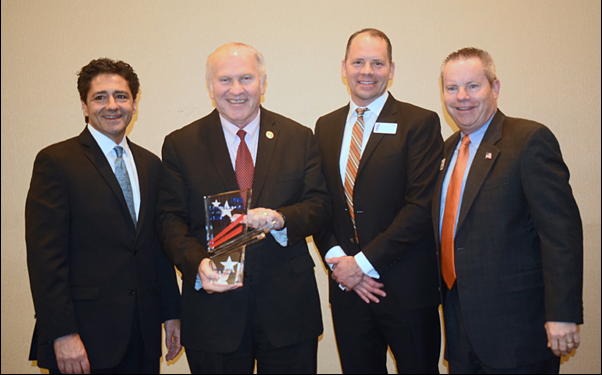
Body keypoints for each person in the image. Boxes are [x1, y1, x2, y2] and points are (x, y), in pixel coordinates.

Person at [157, 42, 329, 374]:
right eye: (225, 80)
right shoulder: (181, 144)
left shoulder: (298, 137)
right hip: (212, 314)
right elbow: (169, 219)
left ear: (263, 84)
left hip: (288, 312)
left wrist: (281, 220)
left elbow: (319, 205)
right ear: (210, 87)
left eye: (246, 78)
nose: (236, 90)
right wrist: (197, 264)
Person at [25, 58, 181, 374]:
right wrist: (62, 333)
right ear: (84, 106)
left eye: (121, 96)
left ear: (134, 104)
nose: (112, 105)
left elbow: (155, 247)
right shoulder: (56, 162)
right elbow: (45, 259)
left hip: (142, 335)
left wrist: (171, 313)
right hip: (83, 339)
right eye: (100, 97)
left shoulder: (151, 165)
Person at [435, 47, 583, 374]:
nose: (462, 97)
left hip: (517, 333)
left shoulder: (528, 140)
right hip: (461, 331)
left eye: (473, 85)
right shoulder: (447, 150)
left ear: (495, 88)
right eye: (451, 87)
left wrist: (562, 313)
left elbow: (561, 234)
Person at [314, 28, 444, 373]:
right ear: (344, 67)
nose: (366, 71)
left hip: (406, 290)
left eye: (377, 63)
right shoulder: (325, 127)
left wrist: (363, 265)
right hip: (347, 291)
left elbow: (420, 208)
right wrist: (339, 261)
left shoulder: (420, 123)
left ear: (392, 69)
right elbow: (320, 203)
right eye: (358, 62)